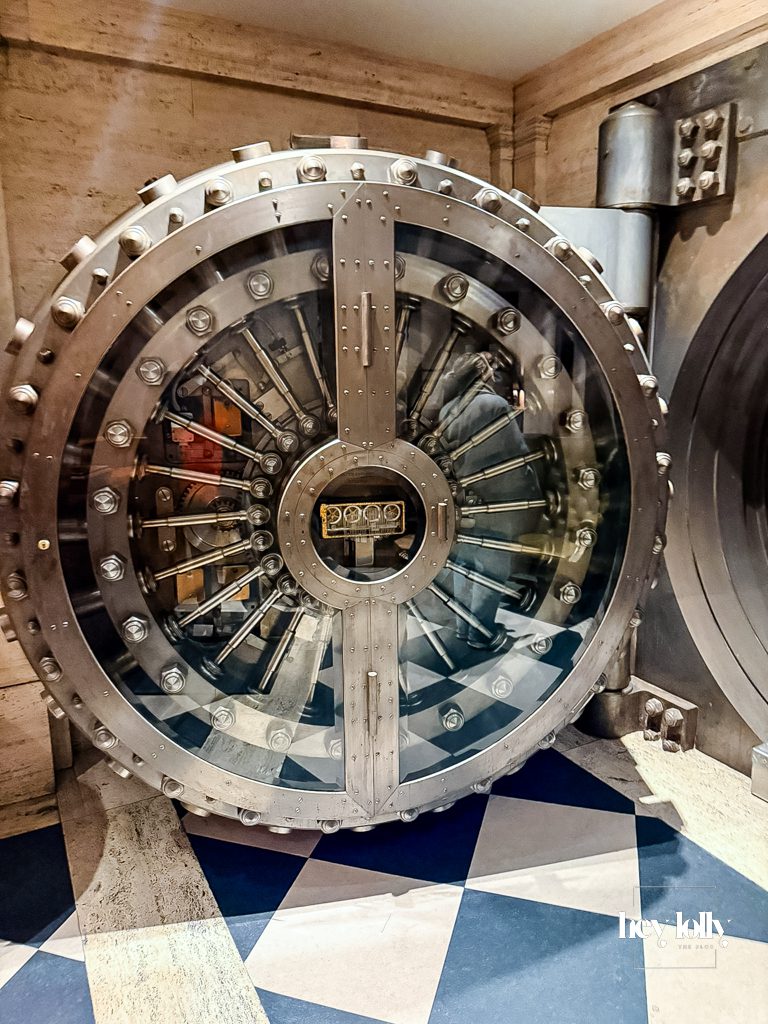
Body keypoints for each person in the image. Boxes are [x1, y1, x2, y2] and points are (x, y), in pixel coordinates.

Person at [438, 348, 543, 648]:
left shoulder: (450, 409)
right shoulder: (493, 404)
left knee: (466, 562)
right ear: (483, 375)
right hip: (496, 498)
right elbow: (516, 452)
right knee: (494, 565)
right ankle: (482, 633)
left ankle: (464, 626)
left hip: (463, 497)